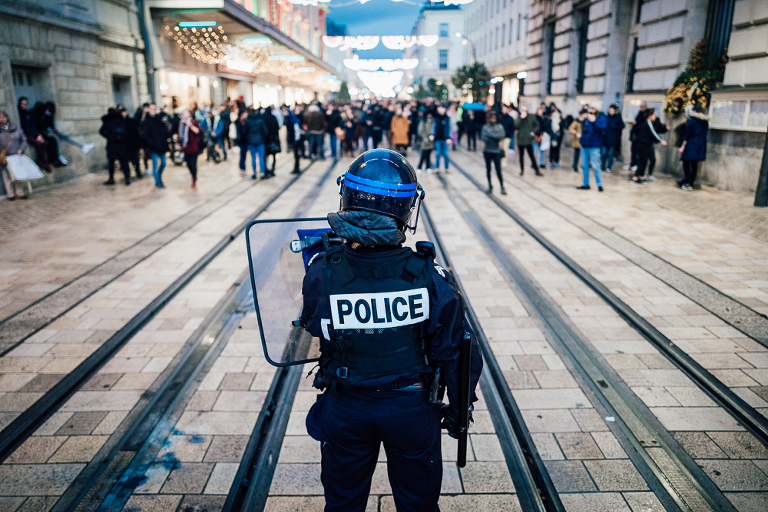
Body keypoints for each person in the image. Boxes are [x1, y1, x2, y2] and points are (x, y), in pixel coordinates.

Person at [301, 149, 482, 511]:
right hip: (412, 408)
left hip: (347, 404)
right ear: (406, 210)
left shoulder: (322, 271)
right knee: (417, 505)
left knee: (342, 504)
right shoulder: (429, 277)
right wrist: (460, 412)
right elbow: (458, 353)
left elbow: (311, 326)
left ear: (347, 198)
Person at [631, 108, 668, 184]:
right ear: (649, 116)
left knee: (644, 160)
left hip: (645, 144)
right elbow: (653, 133)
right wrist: (661, 140)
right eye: (654, 114)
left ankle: (641, 175)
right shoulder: (648, 123)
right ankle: (636, 177)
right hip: (643, 144)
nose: (656, 116)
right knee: (642, 161)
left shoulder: (646, 123)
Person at [677, 104, 709, 190]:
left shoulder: (692, 120)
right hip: (700, 144)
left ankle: (687, 182)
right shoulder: (705, 121)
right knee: (694, 164)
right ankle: (691, 182)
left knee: (686, 162)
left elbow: (687, 134)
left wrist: (683, 146)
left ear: (694, 110)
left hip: (691, 143)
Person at [0, 109, 29, 200]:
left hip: (15, 156)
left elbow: (24, 139)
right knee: (6, 176)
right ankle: (10, 195)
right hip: (4, 157)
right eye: (0, 118)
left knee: (17, 175)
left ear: (7, 117)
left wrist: (21, 149)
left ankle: (20, 193)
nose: (2, 119)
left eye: (3, 117)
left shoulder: (15, 127)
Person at [17, 97, 51, 173]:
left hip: (32, 132)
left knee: (45, 143)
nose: (24, 105)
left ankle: (40, 161)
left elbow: (33, 126)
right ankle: (44, 163)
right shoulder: (19, 114)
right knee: (38, 143)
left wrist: (38, 135)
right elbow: (25, 126)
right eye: (22, 104)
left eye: (25, 104)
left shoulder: (29, 113)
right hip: (25, 133)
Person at [99, 107, 132, 185]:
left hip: (112, 144)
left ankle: (111, 179)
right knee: (124, 162)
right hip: (121, 144)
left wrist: (109, 137)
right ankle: (127, 178)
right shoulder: (121, 120)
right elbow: (126, 132)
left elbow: (101, 131)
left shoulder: (108, 121)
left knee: (111, 162)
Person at [577, 107, 608, 191]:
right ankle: (585, 184)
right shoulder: (588, 117)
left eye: (593, 108)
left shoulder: (602, 118)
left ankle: (599, 184)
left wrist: (594, 121)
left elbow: (602, 129)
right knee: (584, 165)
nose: (591, 110)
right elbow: (585, 129)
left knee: (595, 165)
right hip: (584, 145)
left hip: (594, 146)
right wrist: (581, 140)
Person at [140, 103, 170, 188]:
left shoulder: (159, 119)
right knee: (155, 165)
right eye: (151, 109)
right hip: (153, 147)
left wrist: (165, 124)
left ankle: (158, 177)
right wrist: (152, 143)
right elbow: (145, 135)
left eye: (154, 109)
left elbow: (164, 132)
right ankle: (157, 182)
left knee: (164, 163)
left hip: (162, 146)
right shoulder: (146, 121)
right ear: (148, 110)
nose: (153, 110)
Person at [481, 111, 506, 195]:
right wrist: (495, 136)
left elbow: (501, 136)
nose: (493, 119)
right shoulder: (485, 127)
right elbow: (484, 138)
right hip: (488, 151)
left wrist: (491, 135)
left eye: (494, 118)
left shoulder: (499, 127)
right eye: (491, 118)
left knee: (498, 170)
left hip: (496, 151)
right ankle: (490, 185)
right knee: (488, 169)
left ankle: (502, 186)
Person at [178, 107, 201, 188]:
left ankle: (194, 178)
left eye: (185, 112)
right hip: (185, 148)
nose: (184, 114)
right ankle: (193, 176)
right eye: (183, 113)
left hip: (194, 147)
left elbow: (198, 131)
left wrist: (190, 125)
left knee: (193, 164)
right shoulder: (181, 123)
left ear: (189, 114)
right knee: (188, 164)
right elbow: (179, 135)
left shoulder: (194, 122)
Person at [515, 106, 541, 176]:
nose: (524, 111)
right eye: (522, 110)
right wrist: (521, 118)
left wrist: (532, 132)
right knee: (521, 156)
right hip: (521, 139)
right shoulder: (519, 118)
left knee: (531, 155)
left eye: (525, 110)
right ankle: (522, 170)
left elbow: (537, 124)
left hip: (528, 140)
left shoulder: (531, 117)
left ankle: (537, 170)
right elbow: (516, 125)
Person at [244, 107, 268, 179]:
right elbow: (265, 131)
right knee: (261, 157)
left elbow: (245, 131)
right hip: (260, 141)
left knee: (253, 157)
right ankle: (262, 173)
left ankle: (254, 172)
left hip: (251, 141)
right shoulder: (260, 120)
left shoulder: (248, 121)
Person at [600, 104, 625, 173]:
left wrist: (614, 127)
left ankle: (609, 167)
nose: (611, 112)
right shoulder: (606, 117)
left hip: (613, 139)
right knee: (603, 153)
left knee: (611, 154)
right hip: (605, 139)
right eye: (610, 110)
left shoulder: (618, 118)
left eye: (612, 110)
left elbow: (622, 126)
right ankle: (603, 166)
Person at [432, 105, 451, 174]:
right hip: (438, 139)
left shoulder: (447, 118)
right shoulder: (436, 118)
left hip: (445, 139)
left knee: (446, 154)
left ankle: (446, 168)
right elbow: (434, 126)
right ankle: (437, 167)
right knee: (438, 154)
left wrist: (449, 137)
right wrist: (432, 134)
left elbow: (449, 127)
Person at [263, 106, 280, 177]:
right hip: (273, 140)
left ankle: (266, 170)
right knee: (273, 155)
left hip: (265, 140)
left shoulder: (263, 118)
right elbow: (277, 128)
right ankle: (272, 170)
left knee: (265, 156)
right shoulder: (273, 118)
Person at [235, 110, 249, 178]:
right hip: (242, 141)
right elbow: (241, 132)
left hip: (244, 141)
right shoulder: (239, 122)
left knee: (243, 156)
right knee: (243, 156)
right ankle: (242, 171)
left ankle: (243, 170)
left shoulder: (244, 121)